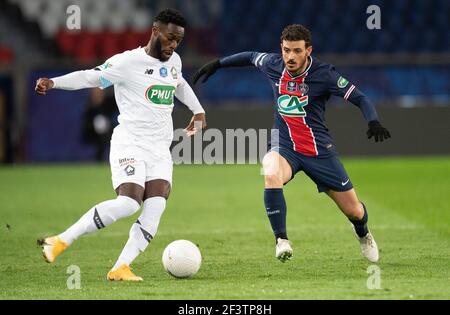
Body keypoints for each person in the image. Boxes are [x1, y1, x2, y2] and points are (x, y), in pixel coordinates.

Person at [193, 24, 390, 263]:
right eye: (286, 50)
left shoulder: (325, 74)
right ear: (281, 49)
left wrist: (373, 121)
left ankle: (363, 233)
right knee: (271, 171)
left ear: (308, 50)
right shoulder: (273, 64)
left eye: (297, 51)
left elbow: (360, 98)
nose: (290, 57)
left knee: (355, 211)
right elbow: (250, 56)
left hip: (319, 152)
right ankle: (281, 240)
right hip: (284, 146)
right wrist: (218, 63)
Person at [35, 9, 207, 281]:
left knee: (155, 208)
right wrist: (53, 82)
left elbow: (179, 82)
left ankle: (121, 267)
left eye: (178, 41)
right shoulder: (127, 63)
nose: (173, 45)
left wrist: (198, 111)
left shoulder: (173, 60)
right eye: (170, 38)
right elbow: (90, 77)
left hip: (160, 148)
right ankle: (60, 240)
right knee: (129, 203)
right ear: (154, 31)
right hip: (131, 143)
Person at [81, 88, 118, 161]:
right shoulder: (90, 108)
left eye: (100, 92)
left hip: (107, 131)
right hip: (93, 131)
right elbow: (87, 123)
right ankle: (98, 159)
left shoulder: (108, 102)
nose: (98, 94)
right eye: (96, 93)